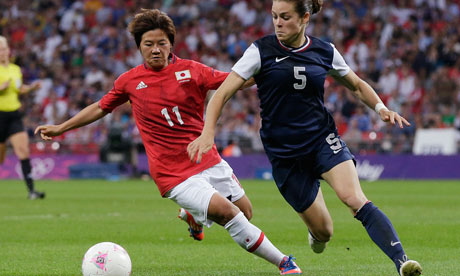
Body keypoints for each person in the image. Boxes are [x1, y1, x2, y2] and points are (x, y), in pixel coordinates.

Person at [35, 9, 302, 275]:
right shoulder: (129, 81)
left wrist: (273, 71)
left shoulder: (192, 70)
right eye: (148, 44)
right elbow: (100, 108)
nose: (155, 50)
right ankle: (284, 263)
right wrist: (61, 128)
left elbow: (235, 81)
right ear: (139, 47)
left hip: (205, 158)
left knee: (246, 213)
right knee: (228, 213)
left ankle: (193, 215)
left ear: (171, 44)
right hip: (171, 173)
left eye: (161, 43)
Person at [187, 1, 422, 276]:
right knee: (324, 232)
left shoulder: (324, 51)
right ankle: (316, 234)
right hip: (285, 156)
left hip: (322, 139)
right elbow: (223, 93)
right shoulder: (260, 51)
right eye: (274, 16)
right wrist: (208, 132)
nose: (278, 23)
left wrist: (381, 108)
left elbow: (357, 85)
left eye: (285, 17)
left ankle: (402, 261)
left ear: (304, 18)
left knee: (354, 198)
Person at [0, 35, 45, 200]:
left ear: (8, 51)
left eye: (4, 49)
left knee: (23, 151)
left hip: (14, 115)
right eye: (0, 50)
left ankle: (32, 191)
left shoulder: (15, 69)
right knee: (1, 157)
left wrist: (31, 88)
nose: (2, 52)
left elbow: (19, 89)